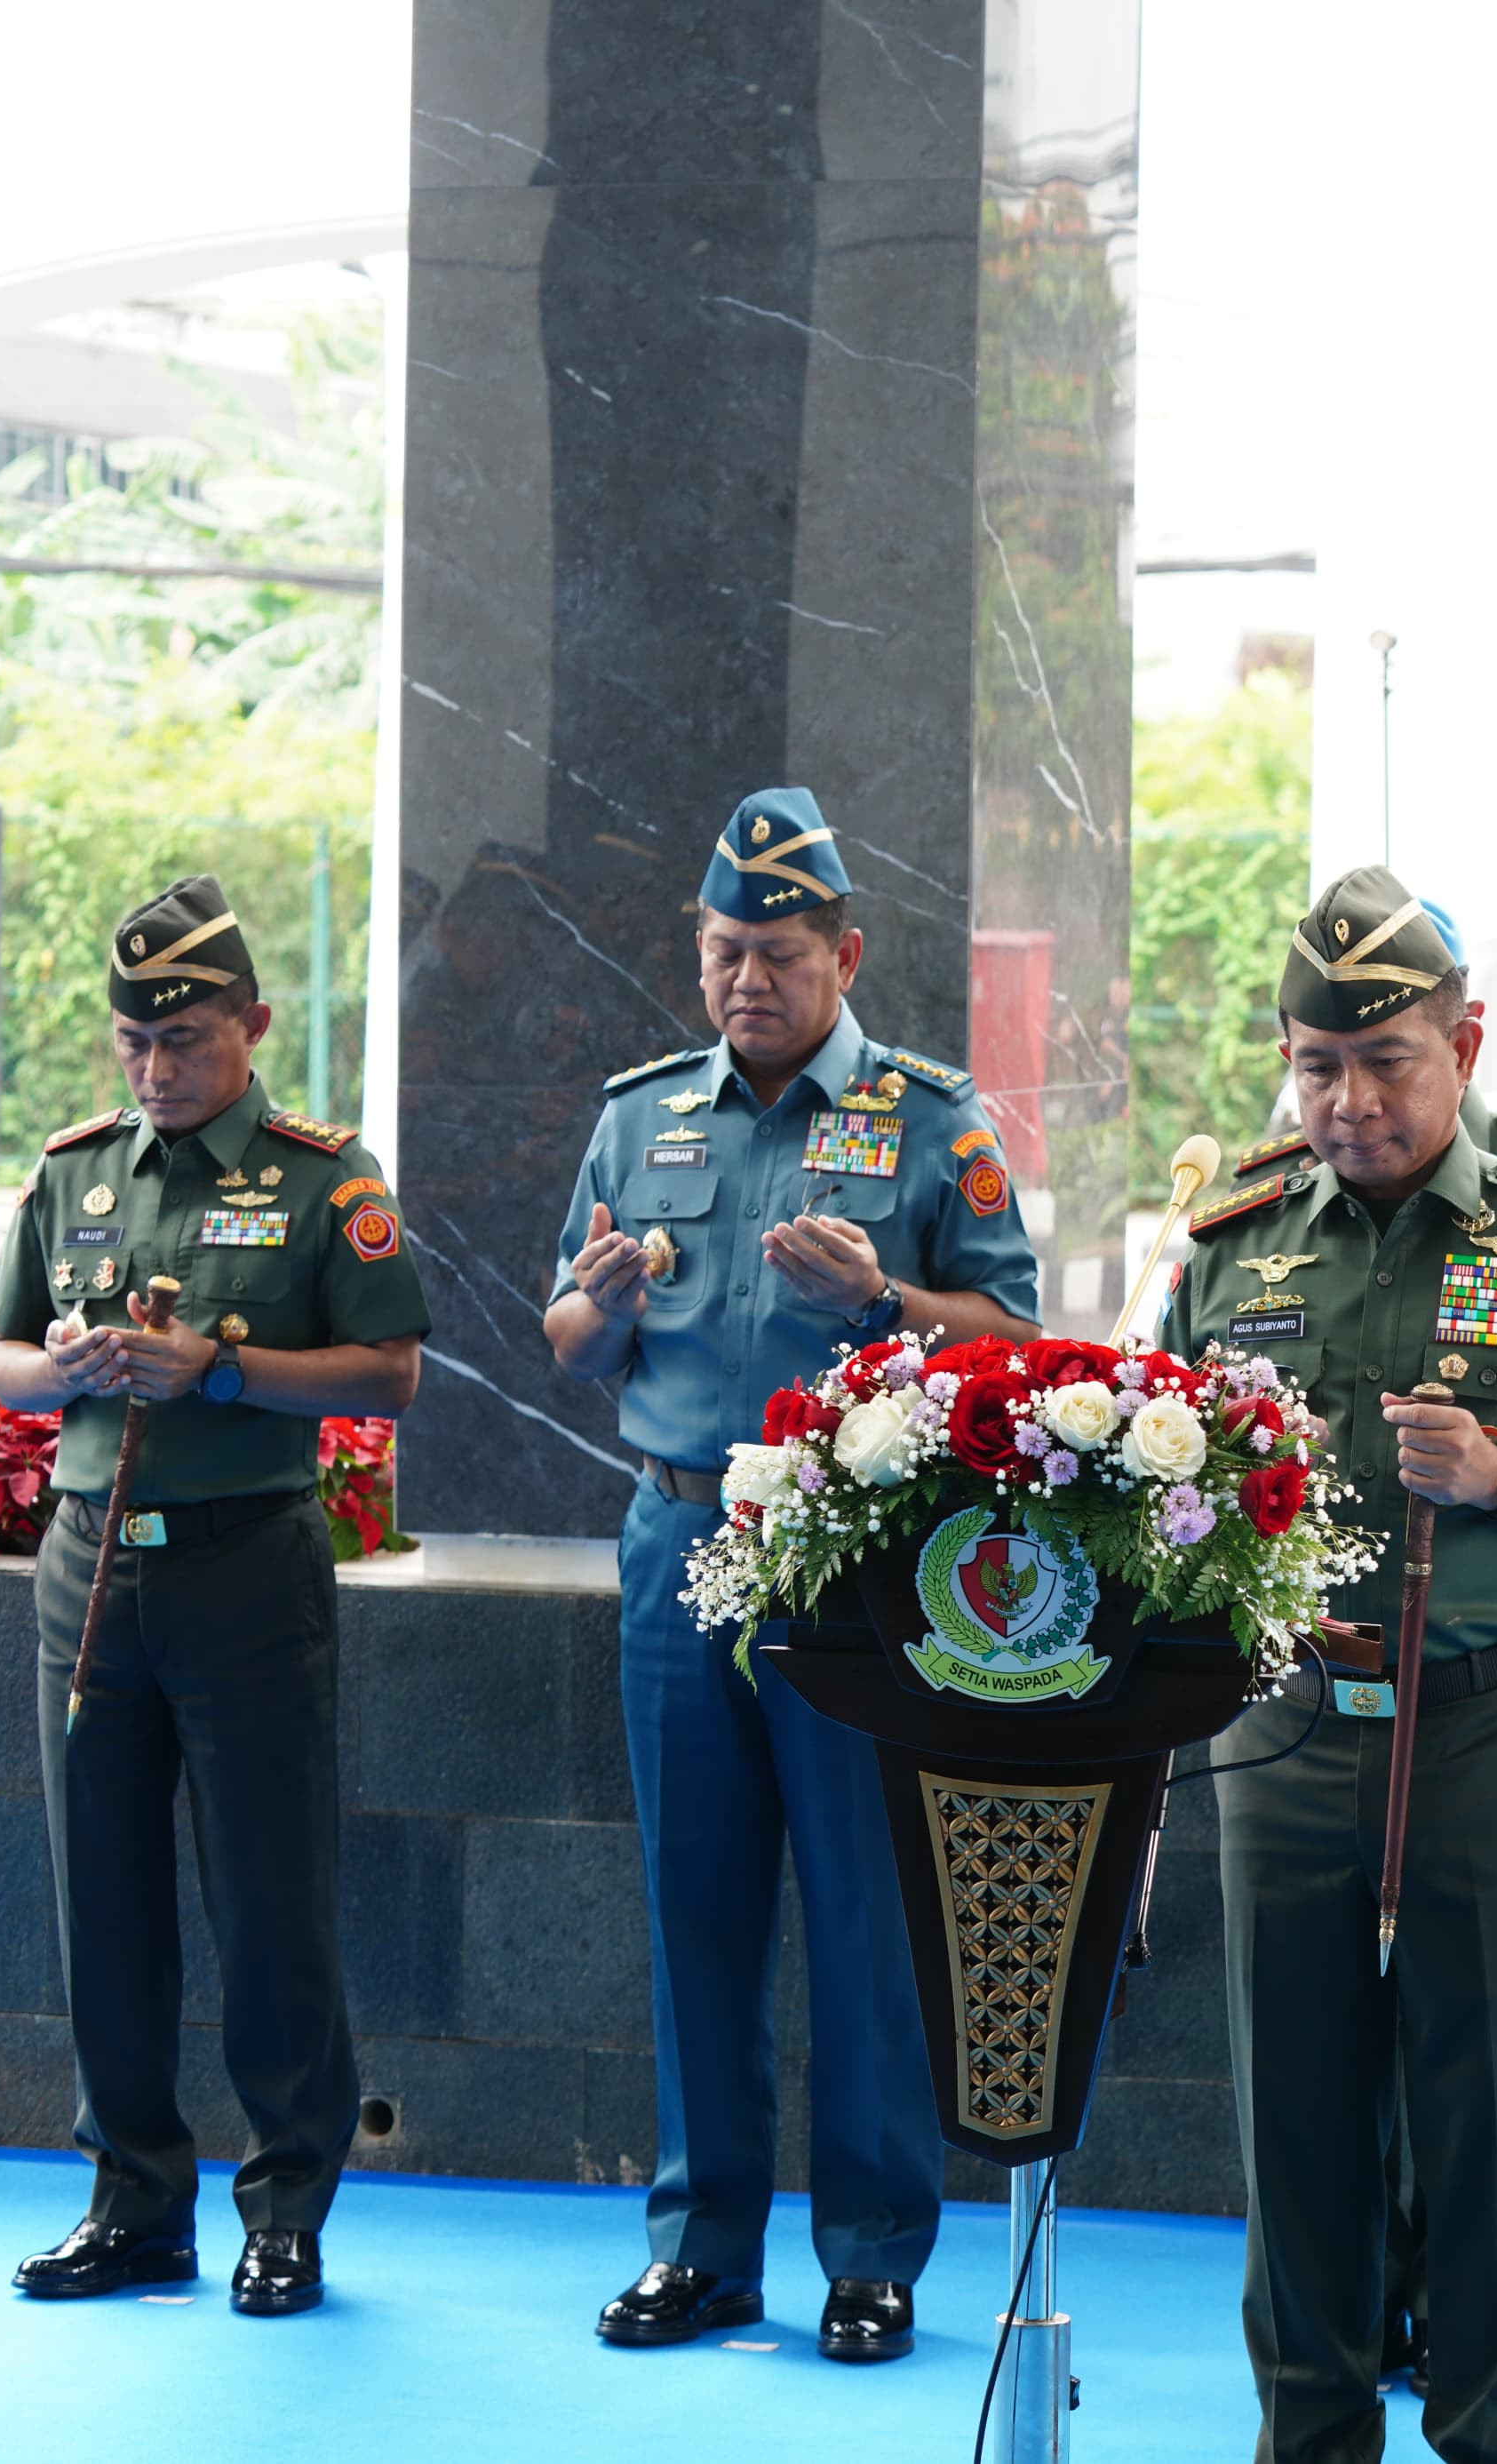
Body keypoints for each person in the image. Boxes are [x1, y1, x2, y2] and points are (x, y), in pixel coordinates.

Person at [1160, 863, 1497, 2464]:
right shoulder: (1232, 1236)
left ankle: (1486, 2441)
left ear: (1464, 1045)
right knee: (1298, 2127)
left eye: (1386, 1060)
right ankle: (1311, 2437)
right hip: (1289, 1732)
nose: (1349, 1100)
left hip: (1491, 1729)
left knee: (1493, 2135)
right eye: (1316, 1063)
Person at [545, 788, 1042, 2363]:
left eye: (778, 952)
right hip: (678, 1539)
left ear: (846, 953)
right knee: (694, 1899)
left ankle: (874, 2250)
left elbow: (1022, 1339)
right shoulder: (641, 1118)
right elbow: (568, 1341)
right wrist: (602, 1303)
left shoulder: (930, 1115)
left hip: (851, 1557)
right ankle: (702, 2244)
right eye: (722, 952)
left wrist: (889, 1290)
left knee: (861, 1906)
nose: (746, 980)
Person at [0, 876, 427, 2320]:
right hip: (89, 1568)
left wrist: (220, 1371)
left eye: (182, 1038)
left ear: (249, 1021)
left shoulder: (325, 1176)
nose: (156, 1069)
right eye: (133, 1042)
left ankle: (285, 2204)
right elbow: (4, 1360)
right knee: (97, 1896)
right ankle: (134, 2199)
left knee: (269, 1901)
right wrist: (67, 1366)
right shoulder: (74, 1173)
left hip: (248, 1565)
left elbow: (390, 1373)